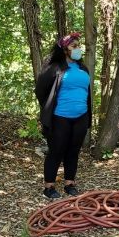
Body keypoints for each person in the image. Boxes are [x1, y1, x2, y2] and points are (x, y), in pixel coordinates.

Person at [34, 32, 92, 199]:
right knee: (56, 151)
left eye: (78, 46)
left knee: (73, 151)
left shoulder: (83, 69)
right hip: (60, 117)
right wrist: (49, 107)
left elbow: (86, 92)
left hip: (81, 116)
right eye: (74, 46)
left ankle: (69, 183)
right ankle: (49, 187)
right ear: (64, 49)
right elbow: (40, 90)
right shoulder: (55, 68)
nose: (78, 49)